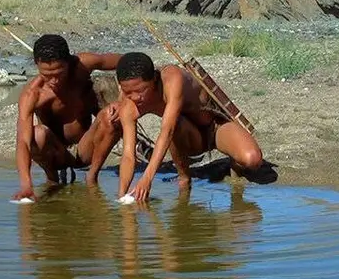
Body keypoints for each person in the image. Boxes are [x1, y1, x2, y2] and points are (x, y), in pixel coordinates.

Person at [111, 51, 264, 202]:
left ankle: (233, 160)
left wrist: (147, 179)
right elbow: (128, 156)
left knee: (253, 159)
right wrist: (122, 195)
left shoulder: (172, 79)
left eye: (140, 90)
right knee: (176, 122)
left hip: (216, 128)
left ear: (154, 79)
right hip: (190, 138)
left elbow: (167, 131)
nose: (135, 97)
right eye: (128, 92)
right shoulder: (128, 105)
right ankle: (184, 179)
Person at [11, 34, 123, 202]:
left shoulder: (83, 65)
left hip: (86, 148)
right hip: (56, 153)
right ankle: (52, 178)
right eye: (46, 75)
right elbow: (23, 142)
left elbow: (127, 62)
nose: (54, 81)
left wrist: (122, 99)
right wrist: (26, 185)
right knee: (36, 134)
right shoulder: (32, 94)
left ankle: (92, 177)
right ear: (37, 65)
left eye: (58, 73)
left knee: (113, 116)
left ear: (68, 62)